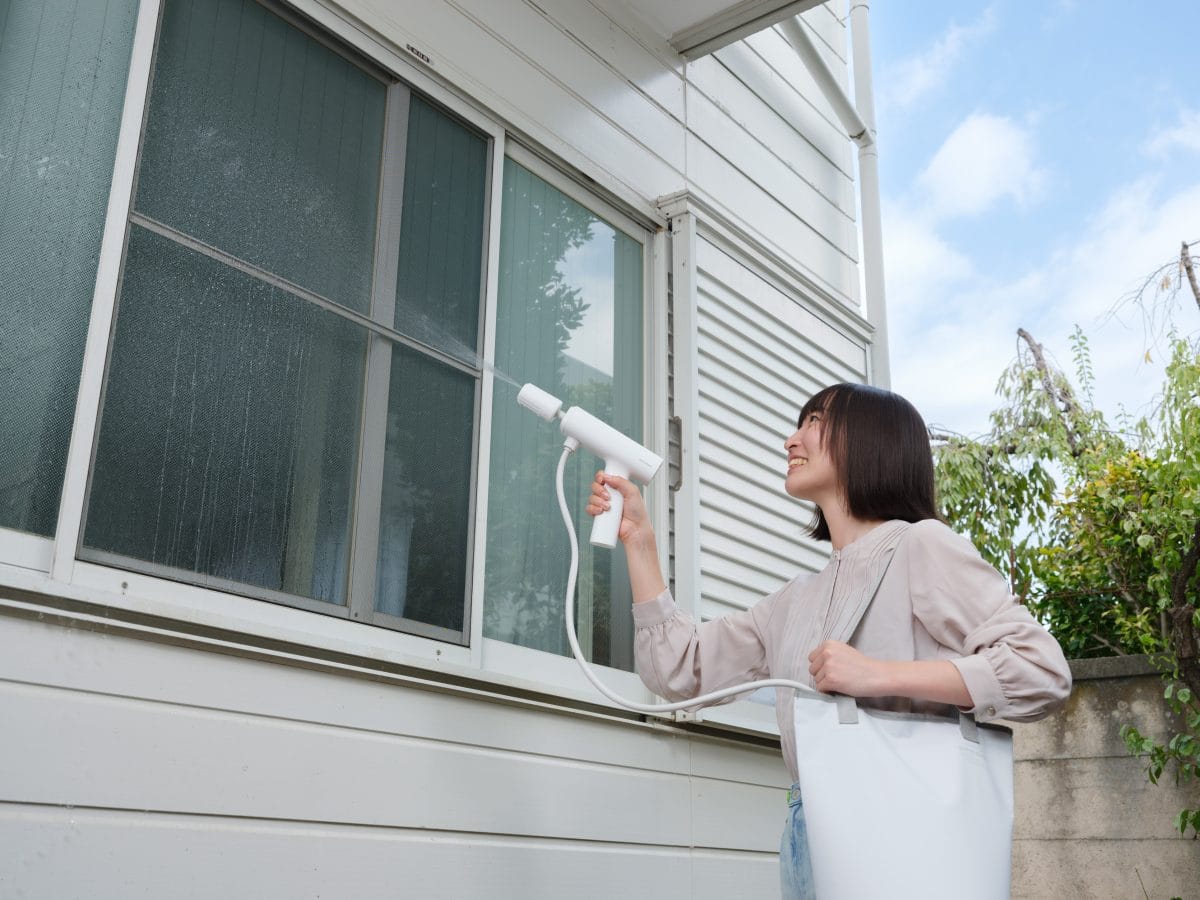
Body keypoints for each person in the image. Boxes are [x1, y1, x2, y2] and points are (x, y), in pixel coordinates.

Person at [585, 381, 1072, 899]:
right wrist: (640, 542)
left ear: (873, 440)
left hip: (901, 821)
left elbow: (1041, 670)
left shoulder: (920, 546)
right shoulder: (795, 601)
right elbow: (678, 670)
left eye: (815, 422)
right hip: (806, 830)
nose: (792, 440)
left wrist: (876, 675)